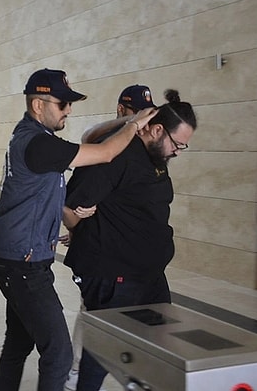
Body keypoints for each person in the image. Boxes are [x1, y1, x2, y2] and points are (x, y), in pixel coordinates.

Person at [0, 68, 157, 391]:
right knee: (59, 355)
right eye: (62, 103)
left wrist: (58, 223)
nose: (68, 110)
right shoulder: (38, 145)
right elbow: (104, 151)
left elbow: (86, 140)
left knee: (17, 346)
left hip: (16, 259)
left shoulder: (35, 138)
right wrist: (136, 123)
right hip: (25, 268)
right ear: (38, 105)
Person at [62, 89, 197, 391]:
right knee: (104, 351)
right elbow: (70, 205)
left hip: (148, 274)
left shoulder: (154, 156)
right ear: (157, 129)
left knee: (159, 344)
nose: (178, 151)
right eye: (177, 144)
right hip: (115, 275)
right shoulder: (117, 154)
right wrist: (80, 229)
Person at [64, 84, 156, 391]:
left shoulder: (139, 149)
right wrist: (77, 230)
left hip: (117, 251)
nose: (142, 121)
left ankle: (98, 372)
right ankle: (76, 373)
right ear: (122, 111)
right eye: (137, 113)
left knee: (105, 319)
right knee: (94, 318)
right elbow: (73, 203)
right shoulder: (109, 141)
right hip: (98, 257)